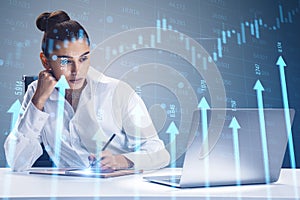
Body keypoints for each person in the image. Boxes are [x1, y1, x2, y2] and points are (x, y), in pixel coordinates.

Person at [4, 10, 170, 172]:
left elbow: (160, 154)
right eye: (65, 62)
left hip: (118, 189)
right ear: (45, 62)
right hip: (68, 190)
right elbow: (17, 162)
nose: (77, 70)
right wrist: (38, 102)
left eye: (83, 58)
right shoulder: (36, 93)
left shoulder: (118, 92)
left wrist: (121, 161)